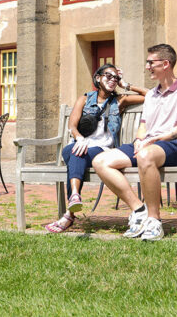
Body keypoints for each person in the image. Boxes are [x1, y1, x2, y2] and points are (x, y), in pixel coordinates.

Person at [92, 43, 177, 241]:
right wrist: (140, 139)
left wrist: (156, 139)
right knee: (100, 161)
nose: (147, 66)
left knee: (145, 155)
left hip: (173, 144)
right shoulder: (151, 95)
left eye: (151, 62)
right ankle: (139, 210)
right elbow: (143, 125)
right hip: (147, 145)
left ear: (165, 64)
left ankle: (154, 221)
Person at [44, 63, 145, 233]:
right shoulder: (84, 99)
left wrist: (126, 85)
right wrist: (80, 139)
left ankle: (70, 211)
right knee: (73, 151)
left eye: (116, 77)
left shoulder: (120, 100)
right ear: (98, 78)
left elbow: (150, 95)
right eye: (108, 75)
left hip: (102, 151)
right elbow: (72, 125)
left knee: (76, 154)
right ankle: (74, 198)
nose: (112, 80)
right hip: (80, 144)